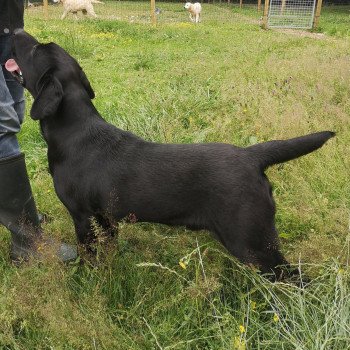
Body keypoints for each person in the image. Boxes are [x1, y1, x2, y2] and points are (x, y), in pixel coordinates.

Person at [0, 0, 77, 262]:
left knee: (15, 114)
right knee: (2, 125)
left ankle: (15, 213)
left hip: (6, 27)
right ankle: (27, 240)